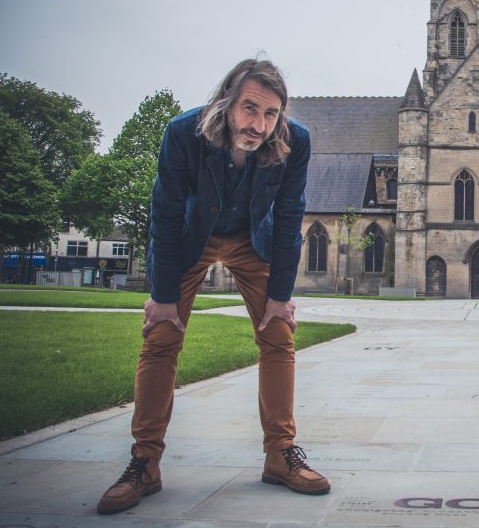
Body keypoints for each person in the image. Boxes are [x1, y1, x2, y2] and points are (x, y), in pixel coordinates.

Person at [97, 59, 328, 515]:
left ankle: (280, 455)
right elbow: (163, 214)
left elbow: (288, 217)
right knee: (161, 337)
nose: (259, 124)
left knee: (278, 335)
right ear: (226, 101)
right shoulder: (183, 133)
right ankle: (145, 462)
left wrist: (280, 297)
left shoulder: (294, 140)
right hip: (192, 237)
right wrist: (163, 298)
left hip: (250, 238)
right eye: (250, 109)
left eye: (271, 113)